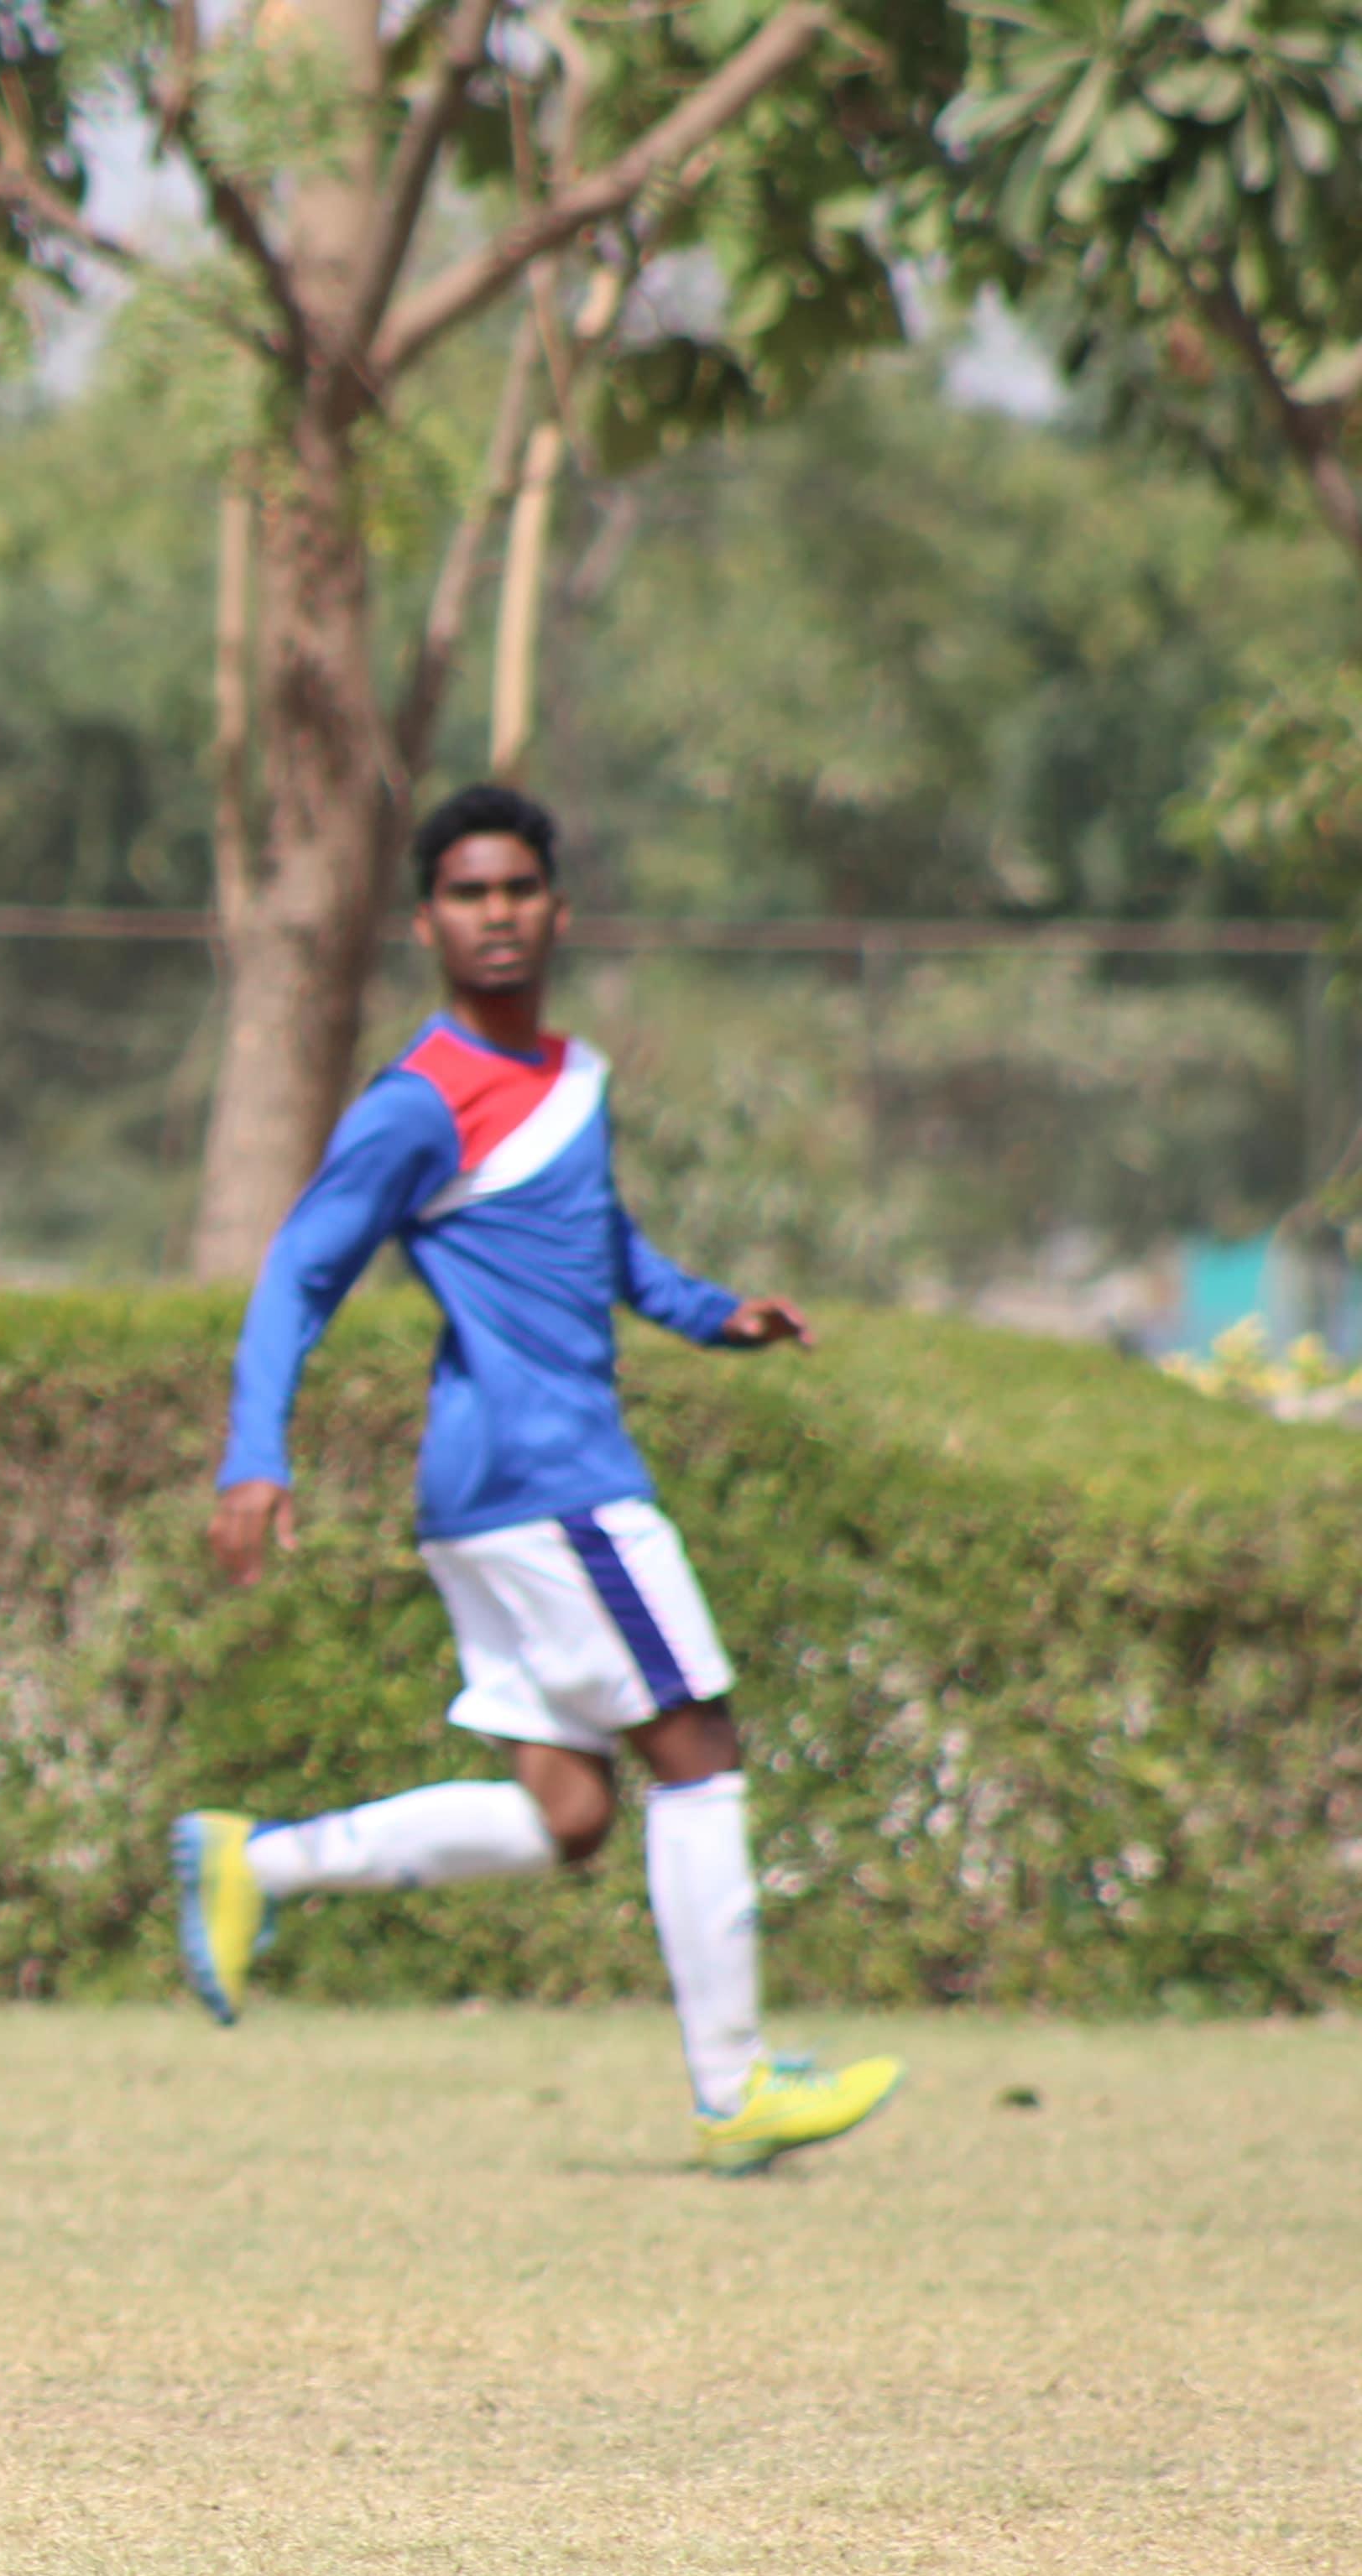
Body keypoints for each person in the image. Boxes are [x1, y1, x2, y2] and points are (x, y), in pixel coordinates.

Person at [175, 785, 903, 2176]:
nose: (493, 914)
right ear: (423, 922)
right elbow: (293, 1270)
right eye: (465, 893)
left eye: (515, 889)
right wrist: (251, 1456)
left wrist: (708, 1313)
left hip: (495, 1495)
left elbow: (599, 1247)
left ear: (555, 911)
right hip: (547, 1482)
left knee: (568, 1814)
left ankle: (248, 1863)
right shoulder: (416, 1103)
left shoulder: (568, 1077)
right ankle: (732, 2085)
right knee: (694, 1745)